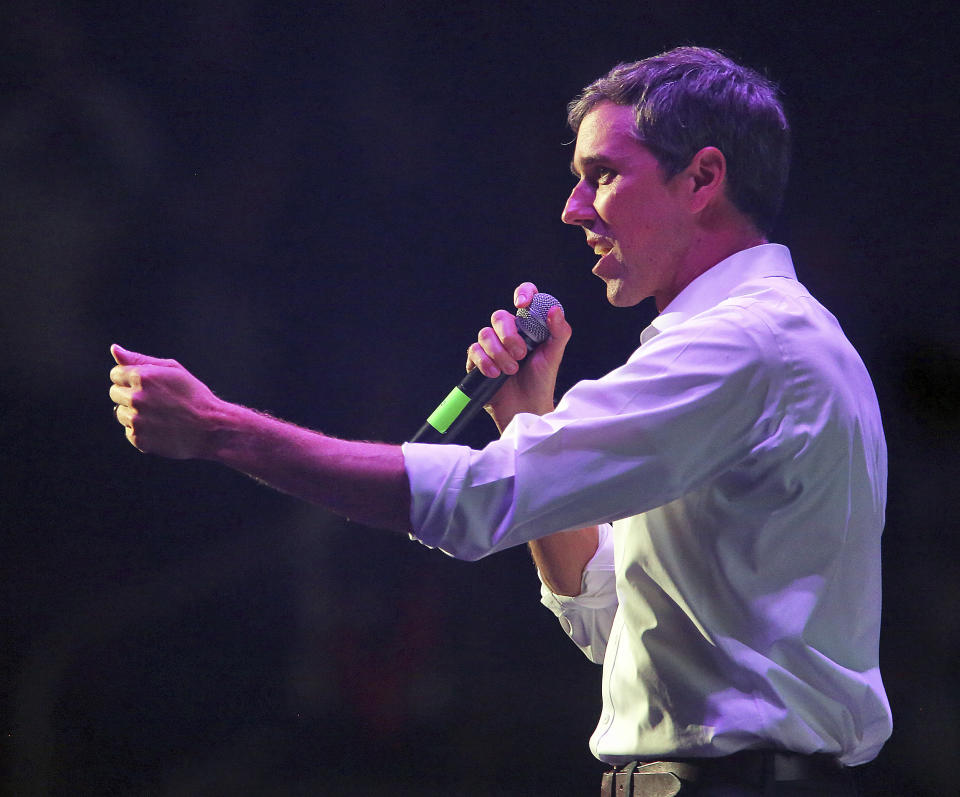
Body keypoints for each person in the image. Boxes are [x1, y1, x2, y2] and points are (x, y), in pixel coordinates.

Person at [109, 47, 891, 795]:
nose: (573, 207)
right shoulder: (763, 341)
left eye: (603, 176)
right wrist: (528, 418)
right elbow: (612, 619)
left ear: (703, 178)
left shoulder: (746, 344)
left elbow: (474, 499)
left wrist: (218, 428)